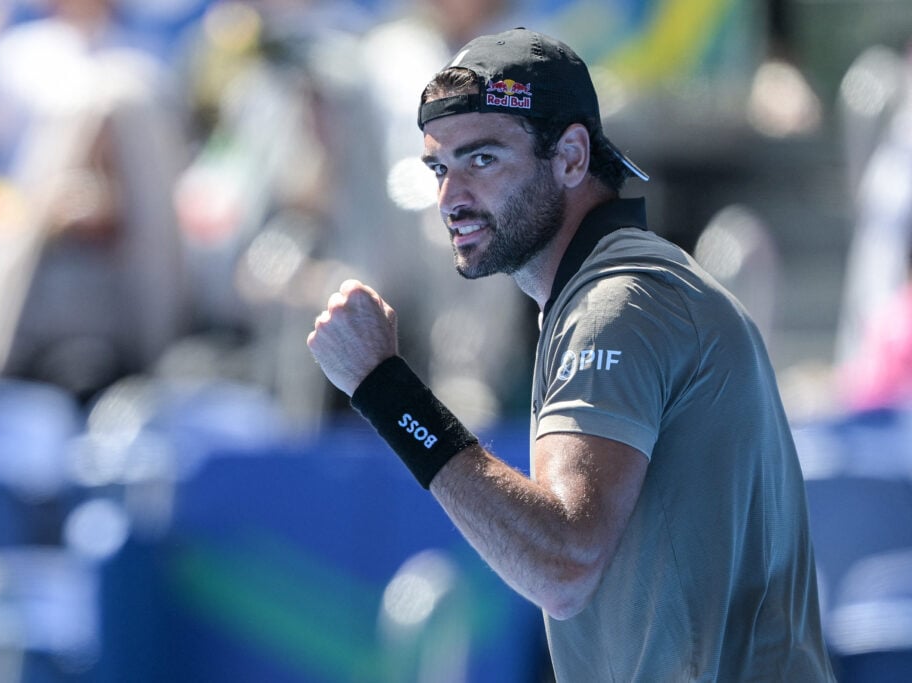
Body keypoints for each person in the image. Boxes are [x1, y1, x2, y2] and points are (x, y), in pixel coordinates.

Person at [307, 28, 836, 681]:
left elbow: (562, 563)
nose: (449, 198)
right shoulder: (612, 294)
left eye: (482, 159)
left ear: (571, 157)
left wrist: (385, 388)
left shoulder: (616, 305)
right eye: (440, 168)